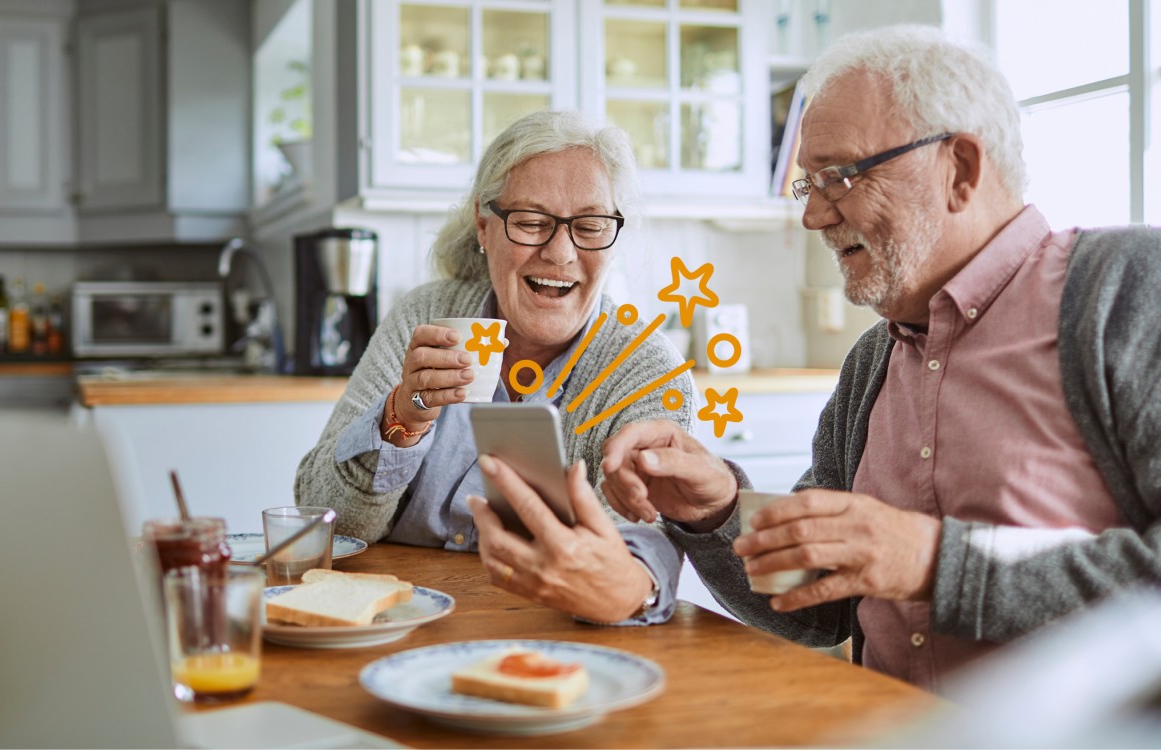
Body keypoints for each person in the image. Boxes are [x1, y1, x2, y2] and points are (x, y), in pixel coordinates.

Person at [468, 24, 1161, 692]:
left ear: (961, 169)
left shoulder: (1128, 290)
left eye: (841, 176)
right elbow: (817, 610)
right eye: (810, 183)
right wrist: (718, 511)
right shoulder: (871, 365)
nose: (813, 216)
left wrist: (930, 562)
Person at [295, 110, 695, 623]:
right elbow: (323, 519)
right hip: (390, 621)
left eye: (590, 226)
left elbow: (634, 558)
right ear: (485, 228)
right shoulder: (424, 317)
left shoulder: (645, 369)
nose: (560, 253)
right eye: (531, 222)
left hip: (546, 635)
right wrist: (402, 418)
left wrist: (631, 579)